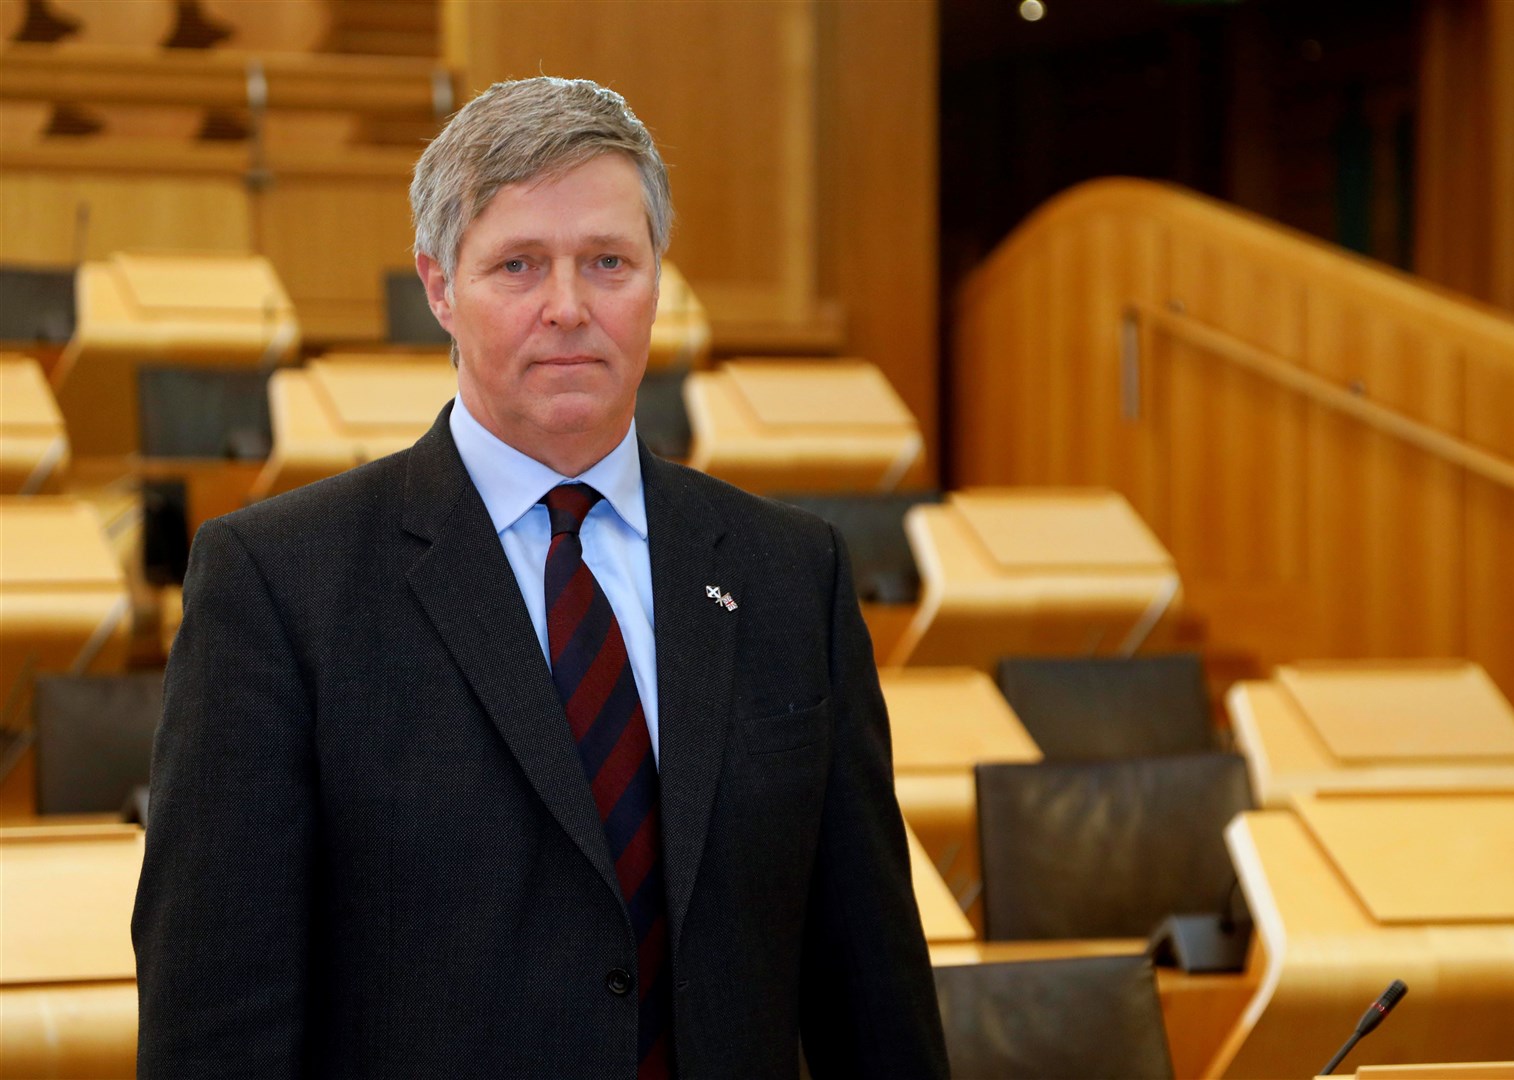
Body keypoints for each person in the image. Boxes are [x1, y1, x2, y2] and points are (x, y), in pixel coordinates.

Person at [132, 75, 948, 1078]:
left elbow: (873, 994)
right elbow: (215, 1021)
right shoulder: (277, 584)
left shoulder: (793, 576)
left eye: (608, 261)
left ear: (658, 280)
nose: (568, 308)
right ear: (438, 286)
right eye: (518, 266)